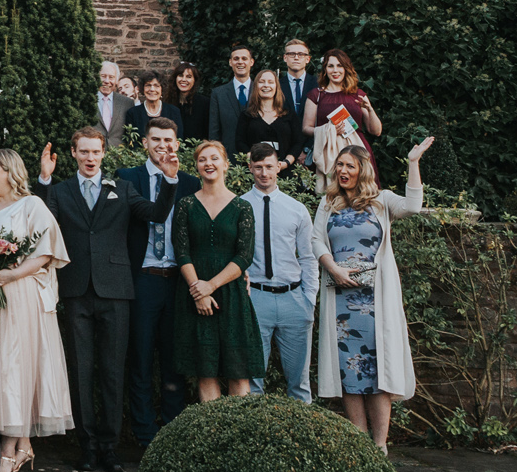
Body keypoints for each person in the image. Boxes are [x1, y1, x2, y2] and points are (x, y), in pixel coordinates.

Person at [38, 126, 176, 472]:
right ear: (73, 153)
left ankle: (110, 448)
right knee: (81, 370)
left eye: (95, 152)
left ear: (104, 154)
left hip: (116, 290)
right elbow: (40, 220)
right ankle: (87, 447)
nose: (90, 158)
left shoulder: (123, 189)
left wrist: (170, 182)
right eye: (83, 152)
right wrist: (43, 178)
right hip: (75, 289)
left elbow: (156, 215)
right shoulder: (61, 191)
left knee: (114, 371)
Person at [313, 137, 432, 450]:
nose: (342, 170)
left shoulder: (382, 201)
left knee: (379, 372)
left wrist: (413, 163)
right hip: (340, 300)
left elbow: (413, 206)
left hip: (375, 301)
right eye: (339, 164)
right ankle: (359, 445)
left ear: (362, 170)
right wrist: (333, 269)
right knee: (348, 371)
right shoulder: (328, 203)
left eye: (349, 165)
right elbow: (315, 242)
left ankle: (379, 446)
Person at [0, 147, 73, 472]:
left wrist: (10, 275)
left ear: (10, 171)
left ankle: (7, 452)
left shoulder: (32, 205)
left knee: (13, 370)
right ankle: (23, 446)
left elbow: (46, 253)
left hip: (20, 296)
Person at [116, 117, 197, 447]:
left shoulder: (190, 184)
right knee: (141, 358)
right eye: (156, 140)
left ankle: (173, 434)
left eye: (169, 140)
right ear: (145, 143)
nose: (163, 145)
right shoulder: (127, 178)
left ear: (177, 145)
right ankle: (145, 435)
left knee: (175, 360)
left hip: (178, 280)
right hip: (143, 279)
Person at [172, 139, 260, 401]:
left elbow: (244, 255)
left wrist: (210, 286)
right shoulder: (186, 205)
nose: (208, 164)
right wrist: (199, 292)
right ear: (196, 166)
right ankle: (213, 437)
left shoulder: (242, 207)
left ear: (225, 164)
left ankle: (238, 437)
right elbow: (182, 251)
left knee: (238, 370)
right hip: (194, 293)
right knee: (205, 370)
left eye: (213, 158)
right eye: (202, 159)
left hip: (231, 294)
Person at [241, 142, 316, 404]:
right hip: (254, 299)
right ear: (250, 168)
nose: (264, 173)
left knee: (299, 382)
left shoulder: (297, 209)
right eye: (258, 167)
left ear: (278, 168)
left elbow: (308, 257)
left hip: (293, 299)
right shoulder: (238, 207)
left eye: (269, 167)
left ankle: (303, 440)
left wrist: (310, 299)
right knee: (251, 381)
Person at [304, 49, 384, 172]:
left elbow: (376, 131)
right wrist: (329, 129)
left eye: (339, 66)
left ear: (346, 68)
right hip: (329, 152)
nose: (335, 70)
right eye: (331, 66)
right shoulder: (316, 95)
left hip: (357, 151)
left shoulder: (358, 94)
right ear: (325, 69)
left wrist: (370, 110)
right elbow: (306, 128)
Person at [237, 69, 303, 166]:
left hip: (285, 174)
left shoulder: (289, 115)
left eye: (271, 82)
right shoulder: (247, 115)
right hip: (255, 172)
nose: (266, 85)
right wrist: (254, 162)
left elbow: (298, 143)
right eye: (261, 82)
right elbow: (240, 142)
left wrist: (286, 163)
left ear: (276, 87)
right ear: (256, 87)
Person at [206, 45, 257, 145]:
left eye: (244, 58)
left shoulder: (260, 90)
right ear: (230, 62)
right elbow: (214, 130)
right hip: (228, 155)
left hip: (257, 154)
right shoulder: (218, 94)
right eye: (236, 59)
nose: (240, 62)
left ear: (251, 62)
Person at [123, 73, 169, 147]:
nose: (152, 89)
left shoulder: (173, 111)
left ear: (162, 89)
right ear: (142, 89)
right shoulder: (133, 113)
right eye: (148, 85)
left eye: (156, 86)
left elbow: (178, 139)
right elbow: (130, 142)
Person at [93, 60, 130, 149]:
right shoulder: (88, 100)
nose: (107, 81)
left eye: (111, 77)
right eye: (103, 76)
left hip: (119, 157)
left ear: (116, 80)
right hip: (93, 153)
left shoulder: (127, 103)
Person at [279, 37, 315, 125]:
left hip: (312, 137)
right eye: (291, 54)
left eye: (301, 54)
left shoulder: (318, 84)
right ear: (285, 58)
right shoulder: (277, 85)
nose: (296, 57)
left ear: (308, 59)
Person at [172, 63, 207, 141]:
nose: (184, 79)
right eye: (180, 75)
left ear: (194, 80)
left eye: (189, 77)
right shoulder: (168, 102)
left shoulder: (204, 103)